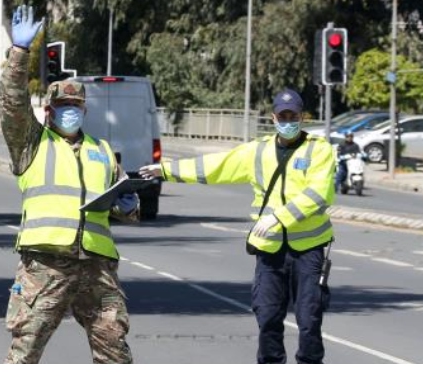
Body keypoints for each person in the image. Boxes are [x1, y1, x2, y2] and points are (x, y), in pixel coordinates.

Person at [139, 88, 336, 364]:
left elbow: (319, 193)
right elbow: (216, 166)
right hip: (270, 249)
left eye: (293, 115)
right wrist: (167, 170)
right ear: (273, 117)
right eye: (283, 115)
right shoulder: (259, 151)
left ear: (302, 117)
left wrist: (279, 218)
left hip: (309, 249)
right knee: (267, 316)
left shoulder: (320, 149)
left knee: (309, 318)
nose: (288, 120)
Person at [0, 5, 138, 364]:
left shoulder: (102, 150)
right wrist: (20, 52)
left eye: (75, 105)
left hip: (97, 266)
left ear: (85, 110)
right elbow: (12, 104)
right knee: (25, 350)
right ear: (49, 110)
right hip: (45, 266)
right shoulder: (32, 141)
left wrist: (128, 205)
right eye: (62, 105)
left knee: (115, 351)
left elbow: (124, 204)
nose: (69, 110)